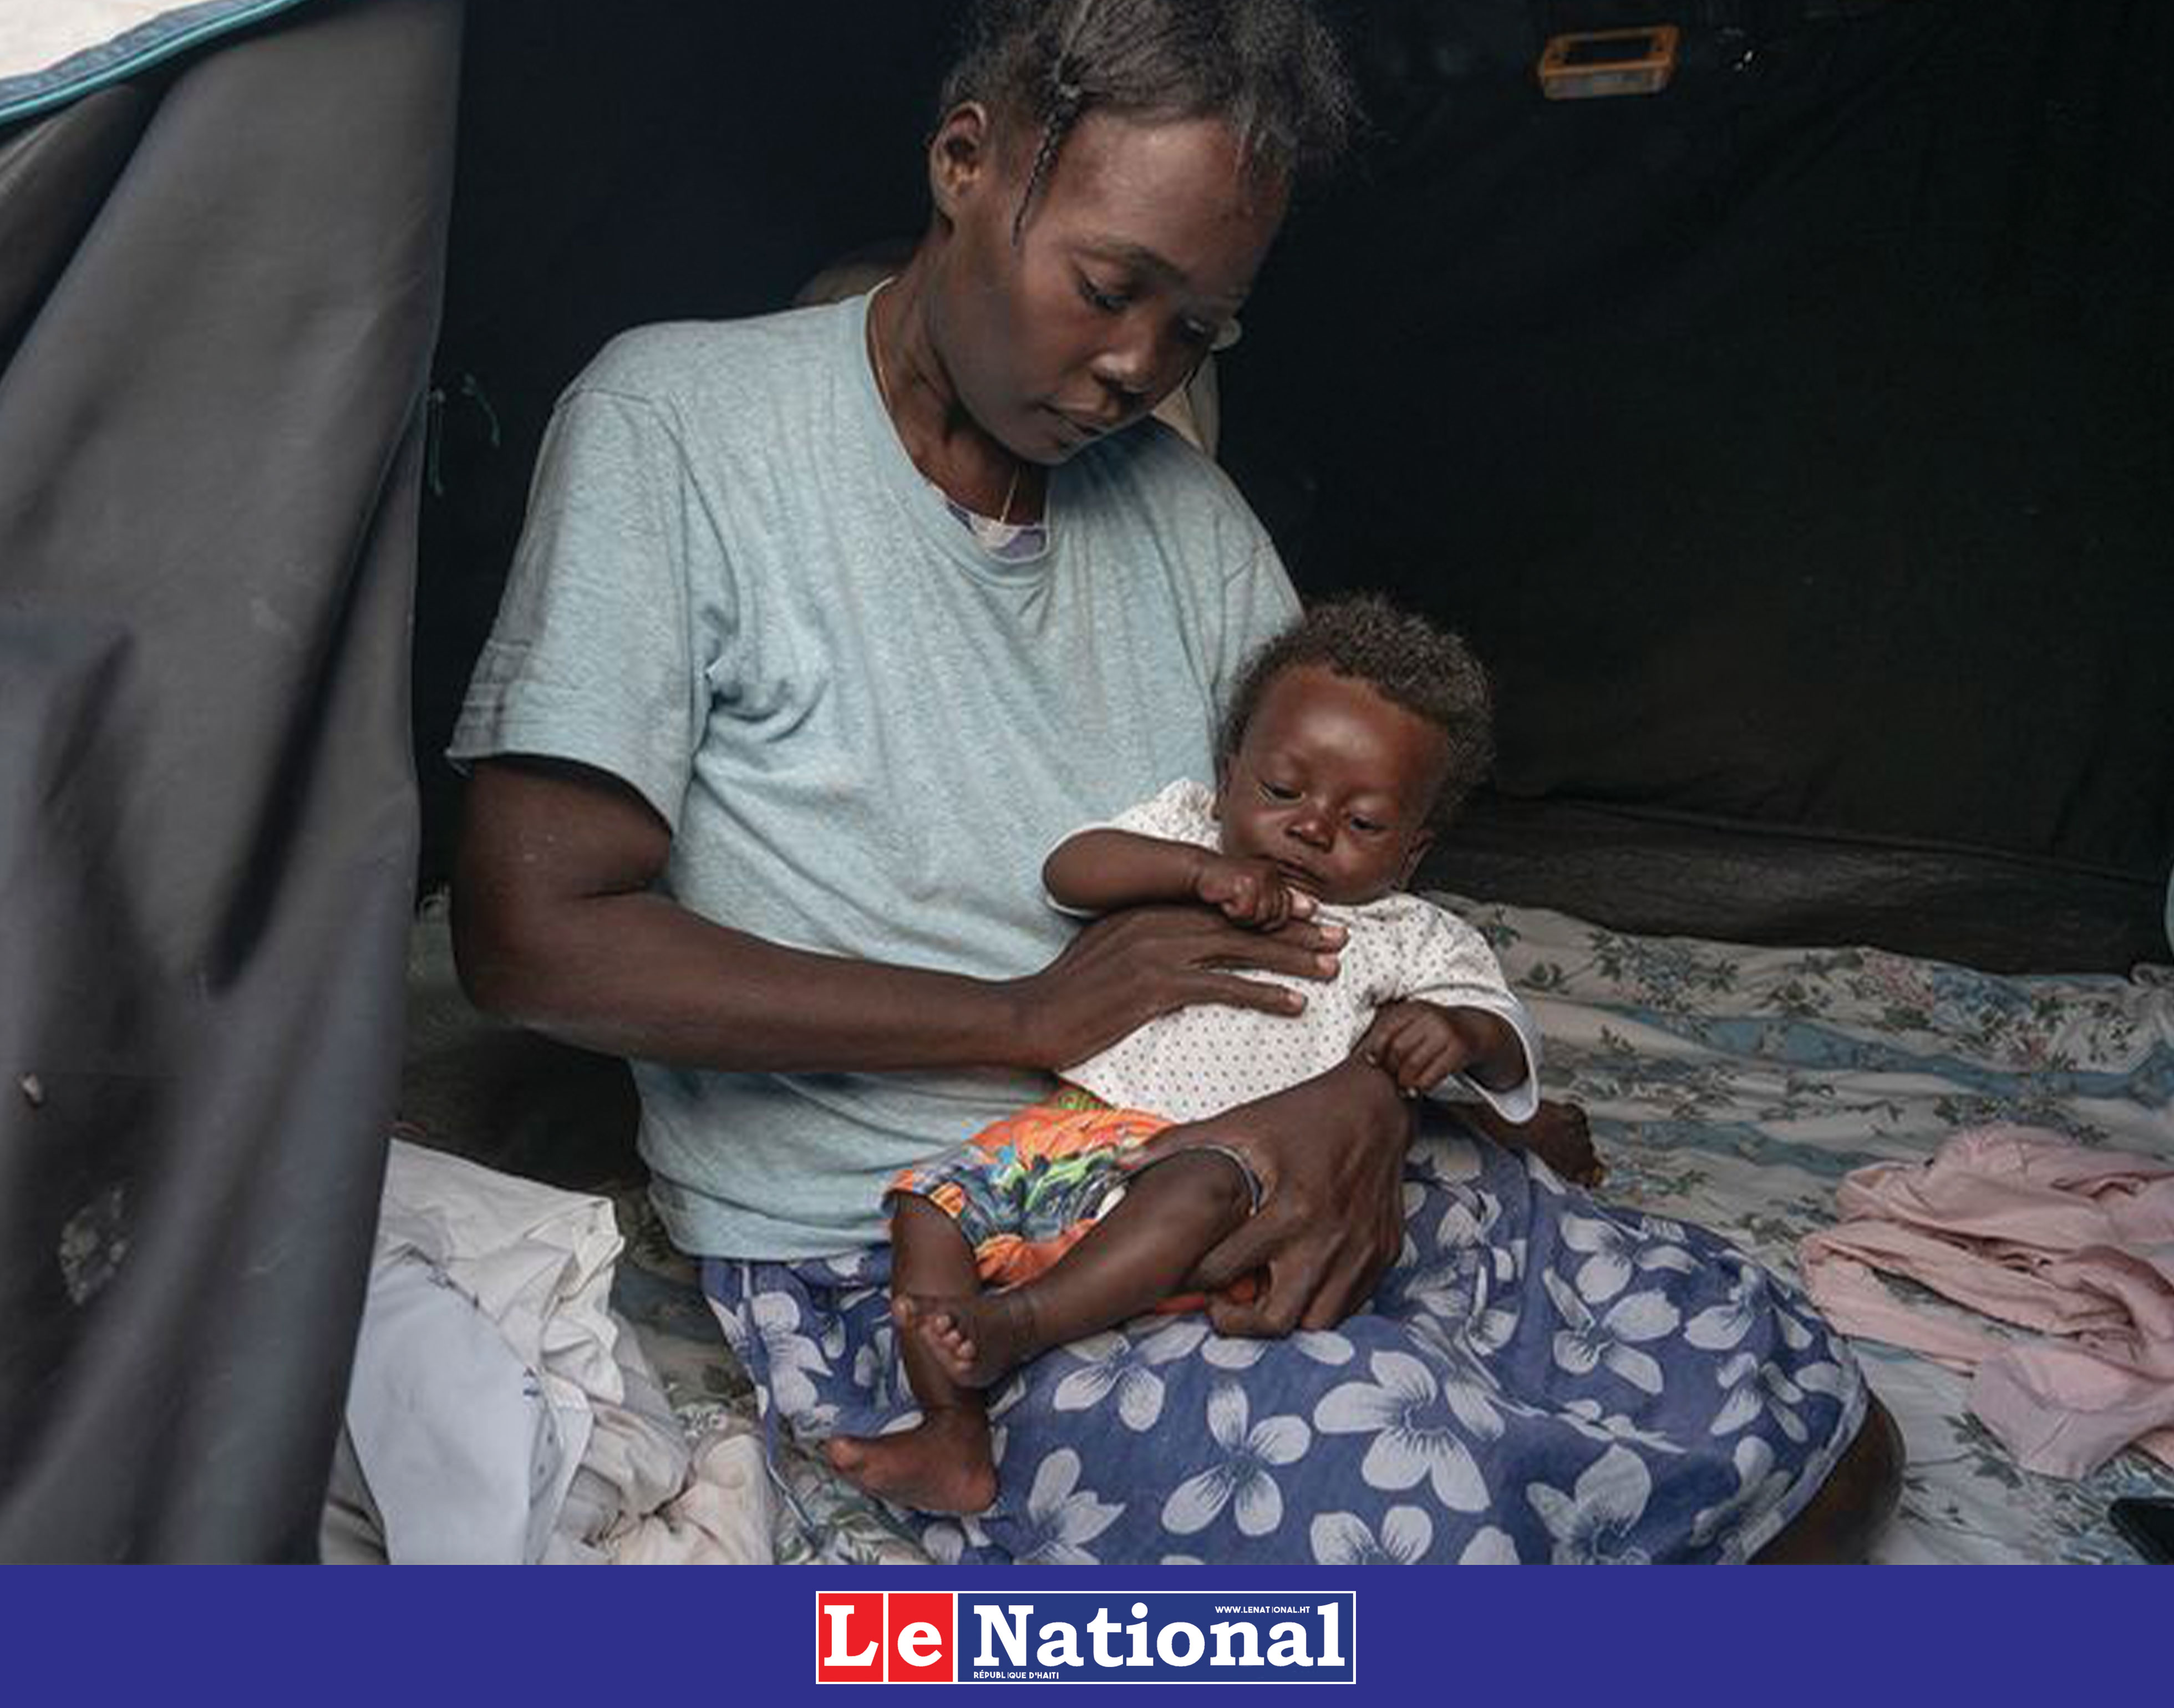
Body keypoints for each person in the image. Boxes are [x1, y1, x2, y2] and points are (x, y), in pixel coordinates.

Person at [450, 0, 1900, 1562]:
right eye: (1107, 287)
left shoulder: (1188, 521)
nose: (1138, 367)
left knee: (1803, 1408)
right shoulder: (682, 426)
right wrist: (1020, 1019)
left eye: (1199, 329)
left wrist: (1360, 1100)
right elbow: (535, 938)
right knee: (1401, 1528)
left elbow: (1329, 883)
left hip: (1243, 1145)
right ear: (964, 163)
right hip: (934, 1243)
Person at [837, 597, 1591, 1513]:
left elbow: (1509, 1041)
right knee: (932, 1205)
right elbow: (1071, 868)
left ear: (1412, 850)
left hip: (1238, 1162)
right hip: (1077, 1132)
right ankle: (951, 1434)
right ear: (1229, 779)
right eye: (1281, 792)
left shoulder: (1409, 932)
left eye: (1363, 823)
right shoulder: (1189, 834)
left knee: (1196, 1184)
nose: (1312, 828)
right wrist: (1196, 873)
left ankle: (1017, 1326)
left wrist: (1464, 1031)